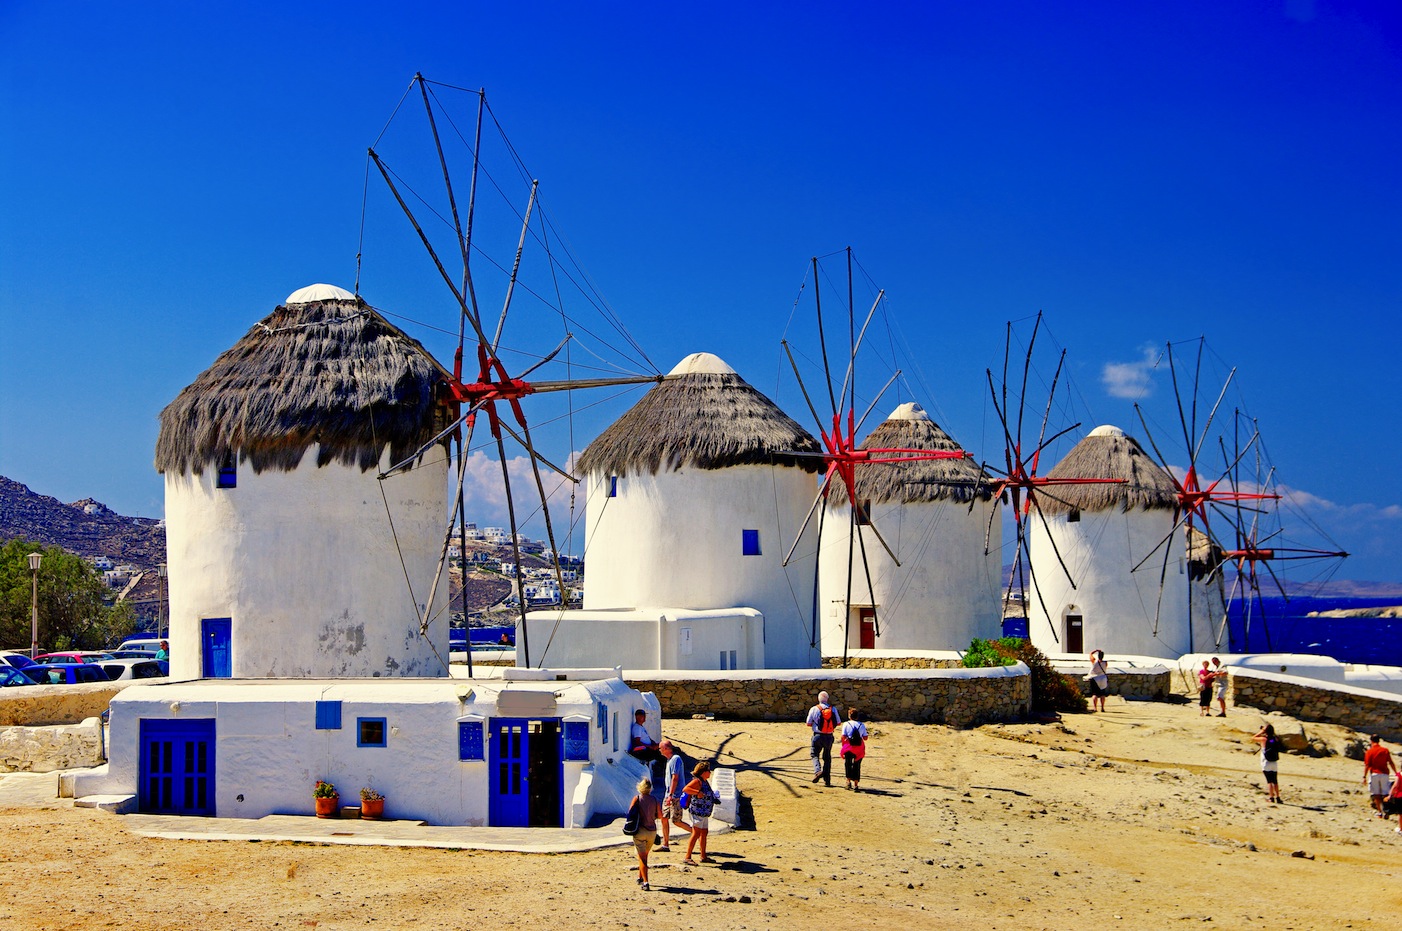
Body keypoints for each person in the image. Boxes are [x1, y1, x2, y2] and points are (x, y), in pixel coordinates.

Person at [625, 776, 661, 891]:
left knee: (642, 858)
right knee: (644, 855)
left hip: (640, 831)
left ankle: (646, 882)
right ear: (650, 789)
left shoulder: (637, 798)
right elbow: (660, 816)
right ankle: (640, 877)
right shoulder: (655, 800)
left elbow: (630, 813)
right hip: (652, 832)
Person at [681, 761, 720, 866]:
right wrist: (697, 793)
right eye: (708, 771)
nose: (710, 773)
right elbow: (686, 789)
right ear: (703, 772)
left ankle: (703, 856)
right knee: (696, 833)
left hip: (703, 813)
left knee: (703, 833)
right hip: (697, 812)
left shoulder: (704, 781)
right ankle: (687, 857)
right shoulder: (698, 782)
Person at [657, 739, 691, 851]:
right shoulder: (669, 760)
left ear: (666, 748)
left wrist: (671, 794)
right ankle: (665, 844)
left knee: (676, 820)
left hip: (675, 795)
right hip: (668, 795)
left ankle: (696, 833)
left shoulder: (676, 759)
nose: (659, 751)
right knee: (664, 818)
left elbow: (675, 778)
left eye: (660, 748)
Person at [805, 690, 842, 786]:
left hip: (817, 735)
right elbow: (838, 722)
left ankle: (818, 771)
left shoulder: (814, 709)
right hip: (829, 736)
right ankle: (827, 780)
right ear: (827, 699)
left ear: (818, 699)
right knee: (827, 757)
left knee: (814, 754)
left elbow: (808, 723)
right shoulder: (833, 709)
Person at [1362, 734, 1398, 818]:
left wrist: (1364, 776)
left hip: (1374, 774)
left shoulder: (1369, 751)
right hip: (1384, 774)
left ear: (1371, 741)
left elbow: (1367, 765)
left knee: (1376, 794)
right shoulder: (1385, 750)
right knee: (1385, 794)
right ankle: (1386, 811)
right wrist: (1396, 772)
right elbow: (1391, 762)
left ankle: (1379, 812)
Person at [1253, 723, 1283, 804]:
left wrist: (1261, 731)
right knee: (1275, 781)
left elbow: (1253, 738)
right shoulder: (1275, 739)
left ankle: (1271, 797)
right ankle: (1278, 797)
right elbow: (1273, 739)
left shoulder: (1264, 739)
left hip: (1266, 761)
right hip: (1274, 762)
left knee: (1269, 781)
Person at [840, 708, 869, 791]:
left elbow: (843, 736)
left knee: (848, 763)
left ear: (849, 716)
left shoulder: (846, 724)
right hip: (859, 747)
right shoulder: (862, 725)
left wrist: (843, 745)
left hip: (848, 746)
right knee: (857, 765)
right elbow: (865, 737)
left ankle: (848, 781)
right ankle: (856, 784)